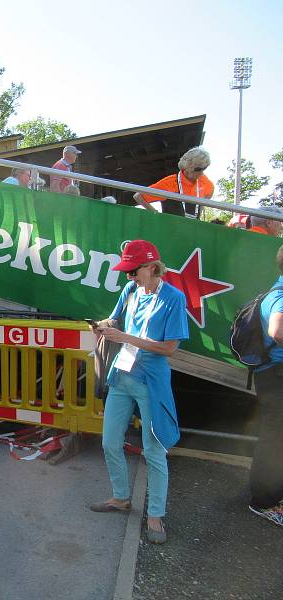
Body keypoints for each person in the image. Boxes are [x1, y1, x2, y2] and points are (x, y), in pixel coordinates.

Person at [88, 240, 188, 545]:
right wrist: (102, 325)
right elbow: (115, 319)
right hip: (122, 376)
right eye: (127, 272)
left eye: (133, 271)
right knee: (109, 442)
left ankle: (155, 514)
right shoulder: (130, 291)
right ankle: (121, 497)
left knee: (154, 451)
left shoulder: (174, 298)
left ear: (152, 268)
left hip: (150, 383)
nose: (129, 277)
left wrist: (124, 335)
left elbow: (169, 348)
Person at [247, 245, 283, 527]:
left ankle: (270, 497)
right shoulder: (280, 296)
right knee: (275, 439)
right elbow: (278, 331)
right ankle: (264, 501)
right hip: (276, 374)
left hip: (272, 373)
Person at [133, 147, 214, 219]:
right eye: (198, 169)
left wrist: (199, 210)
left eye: (204, 169)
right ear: (187, 167)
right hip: (171, 231)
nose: (201, 173)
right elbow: (138, 196)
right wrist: (156, 214)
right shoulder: (170, 182)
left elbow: (208, 195)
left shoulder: (205, 182)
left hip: (192, 231)